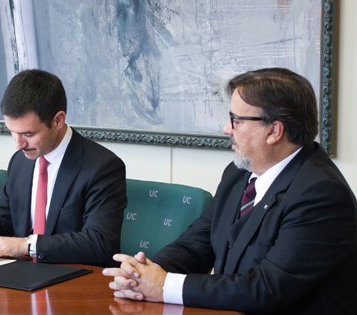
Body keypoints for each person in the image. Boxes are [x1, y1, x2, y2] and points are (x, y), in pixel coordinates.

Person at [104, 68, 357, 314]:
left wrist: (163, 285)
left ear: (274, 131)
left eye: (236, 119)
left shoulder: (321, 195)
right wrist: (142, 273)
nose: (227, 128)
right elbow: (197, 243)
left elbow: (266, 288)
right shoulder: (239, 173)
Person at [0, 69, 126, 266]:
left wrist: (26, 245)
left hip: (74, 282)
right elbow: (3, 217)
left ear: (58, 120)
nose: (18, 144)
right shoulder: (21, 161)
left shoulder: (102, 167)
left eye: (28, 134)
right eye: (12, 132)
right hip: (21, 278)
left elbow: (100, 243)